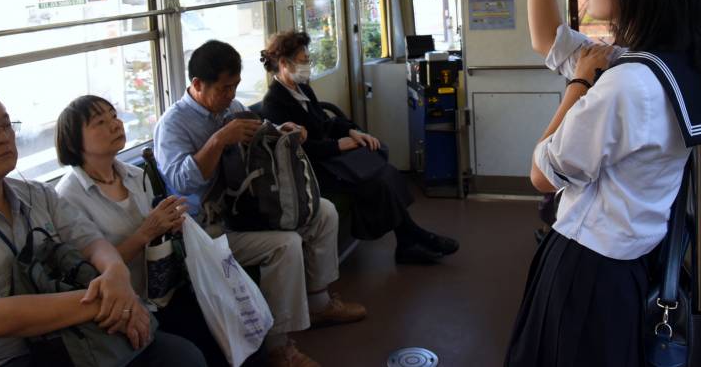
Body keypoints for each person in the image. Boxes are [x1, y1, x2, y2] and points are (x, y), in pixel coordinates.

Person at [503, 0, 701, 366]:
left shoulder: (625, 82)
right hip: (626, 266)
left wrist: (577, 86)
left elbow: (542, 175)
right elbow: (549, 38)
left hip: (585, 270)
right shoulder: (666, 64)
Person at [155, 40, 366, 367]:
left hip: (244, 209)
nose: (230, 96)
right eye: (224, 88)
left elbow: (260, 137)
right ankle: (278, 347)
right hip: (205, 230)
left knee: (324, 212)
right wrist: (218, 139)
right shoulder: (173, 125)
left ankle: (321, 303)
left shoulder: (232, 108)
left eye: (235, 87)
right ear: (197, 85)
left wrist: (283, 131)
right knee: (285, 245)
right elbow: (182, 181)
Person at [0, 87, 206, 367]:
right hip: (13, 356)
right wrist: (108, 301)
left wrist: (115, 273)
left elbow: (92, 242)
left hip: (78, 332)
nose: (3, 137)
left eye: (6, 124)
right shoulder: (69, 189)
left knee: (183, 356)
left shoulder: (38, 195)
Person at [54, 95, 268, 366]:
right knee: (205, 349)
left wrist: (172, 224)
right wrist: (146, 231)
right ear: (74, 141)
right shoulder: (68, 197)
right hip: (126, 305)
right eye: (100, 122)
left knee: (241, 326)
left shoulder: (135, 174)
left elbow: (157, 237)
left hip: (164, 289)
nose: (114, 124)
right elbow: (88, 273)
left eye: (114, 115)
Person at [254, 31, 459, 265]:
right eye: (303, 61)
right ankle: (412, 238)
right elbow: (300, 149)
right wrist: (338, 146)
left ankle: (408, 239)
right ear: (283, 63)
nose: (307, 66)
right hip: (311, 169)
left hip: (328, 158)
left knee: (382, 165)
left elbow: (325, 122)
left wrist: (351, 131)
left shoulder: (302, 89)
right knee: (376, 182)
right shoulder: (274, 103)